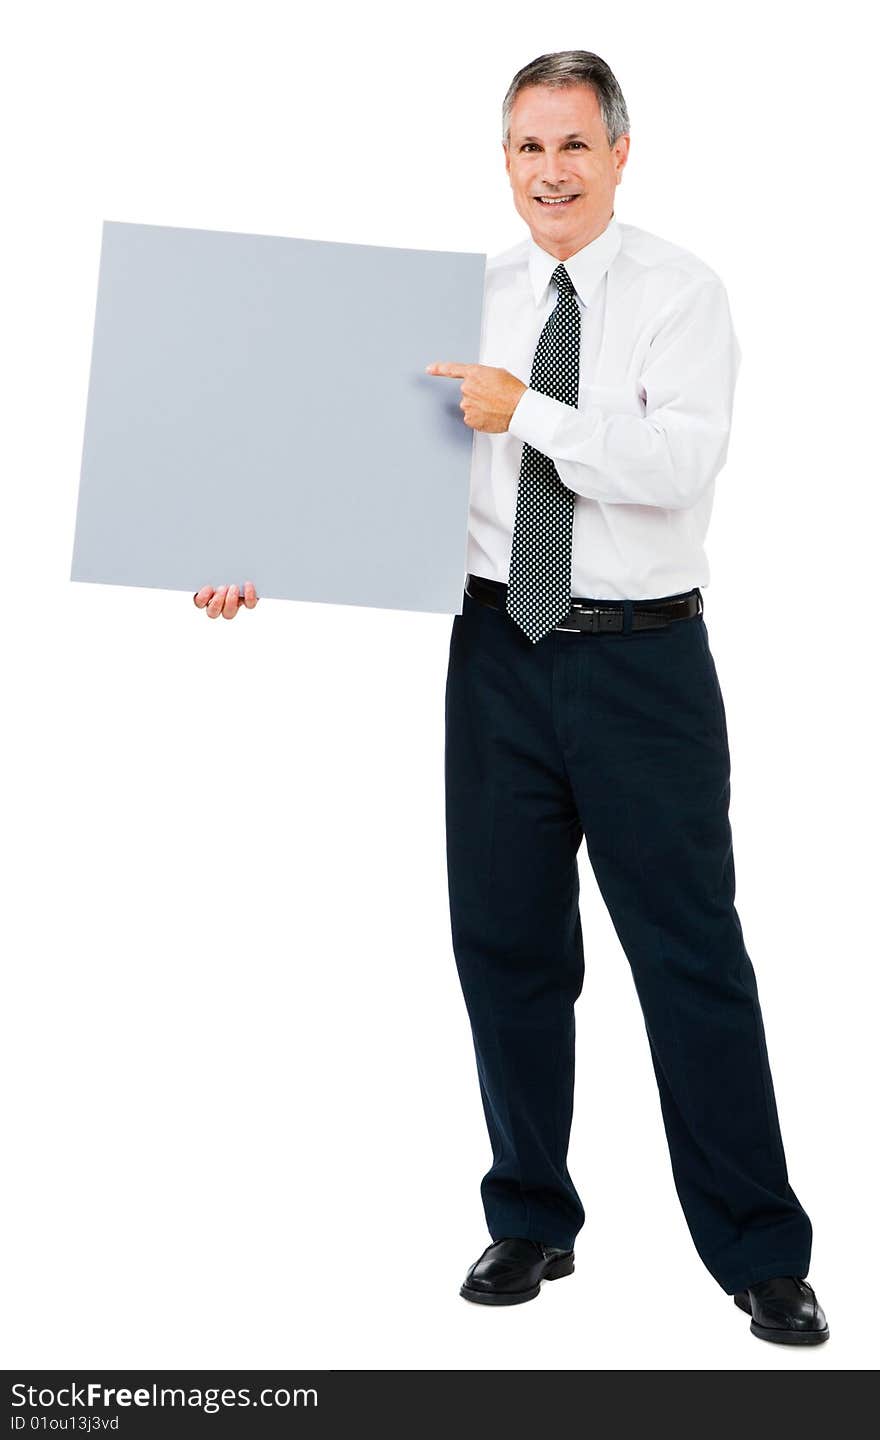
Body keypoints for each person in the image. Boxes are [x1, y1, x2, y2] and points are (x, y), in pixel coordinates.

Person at [194, 49, 828, 1347]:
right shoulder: (464, 300)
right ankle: (532, 1218)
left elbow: (678, 464)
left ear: (619, 154)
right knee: (506, 950)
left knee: (692, 958)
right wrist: (255, 551)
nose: (552, 172)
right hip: (496, 659)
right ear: (505, 160)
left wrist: (530, 411)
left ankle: (762, 1252)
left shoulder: (680, 293)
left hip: (644, 664)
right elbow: (369, 465)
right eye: (530, 148)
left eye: (575, 146)